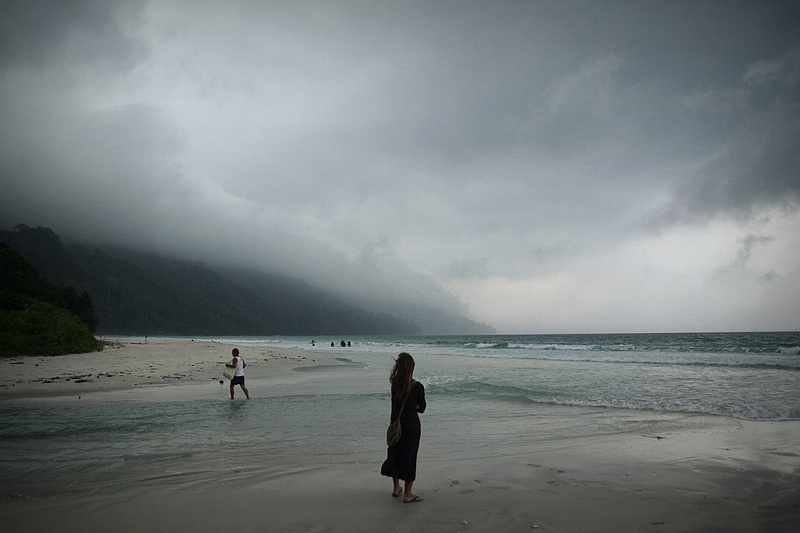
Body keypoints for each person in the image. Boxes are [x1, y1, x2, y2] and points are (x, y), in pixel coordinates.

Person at [381, 352, 426, 503]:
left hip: (395, 426)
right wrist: (415, 405)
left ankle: (396, 488)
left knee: (395, 455)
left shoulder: (394, 384)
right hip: (411, 427)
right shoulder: (417, 386)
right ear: (411, 368)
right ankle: (408, 494)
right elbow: (422, 408)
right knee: (409, 458)